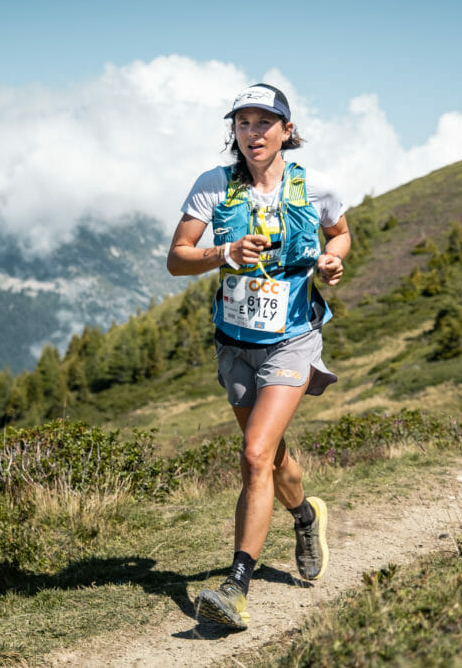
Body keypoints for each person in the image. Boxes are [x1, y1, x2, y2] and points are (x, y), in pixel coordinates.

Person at [167, 83, 350, 630]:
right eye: (243, 124)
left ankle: (235, 586)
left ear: (287, 131)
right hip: (235, 343)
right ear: (235, 134)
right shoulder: (212, 187)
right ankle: (305, 514)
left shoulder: (315, 187)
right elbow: (177, 260)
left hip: (293, 337)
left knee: (252, 454)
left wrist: (332, 263)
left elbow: (339, 236)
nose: (253, 134)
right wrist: (224, 252)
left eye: (265, 123)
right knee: (267, 457)